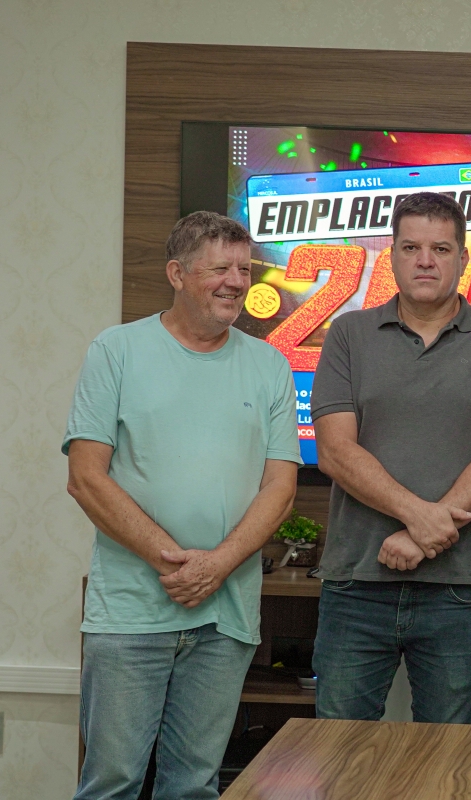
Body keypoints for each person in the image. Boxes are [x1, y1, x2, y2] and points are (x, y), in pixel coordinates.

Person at [64, 211, 301, 799]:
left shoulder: (270, 364)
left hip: (226, 616)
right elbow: (86, 478)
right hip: (130, 613)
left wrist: (215, 567)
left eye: (244, 270)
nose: (236, 282)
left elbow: (280, 487)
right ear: (176, 273)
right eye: (220, 269)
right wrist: (176, 563)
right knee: (112, 783)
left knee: (193, 786)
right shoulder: (116, 350)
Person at [310, 192, 471, 724]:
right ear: (392, 256)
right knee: (337, 748)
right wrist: (420, 517)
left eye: (441, 248)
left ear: (463, 258)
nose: (425, 260)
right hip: (356, 582)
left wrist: (419, 537)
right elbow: (335, 452)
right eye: (411, 247)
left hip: (456, 587)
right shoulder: (348, 334)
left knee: (449, 753)